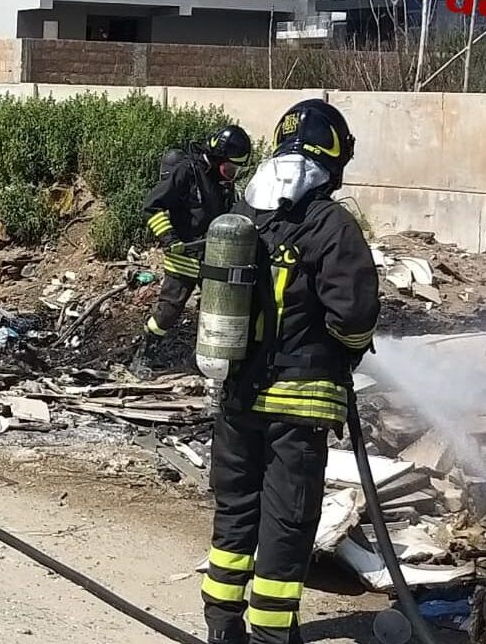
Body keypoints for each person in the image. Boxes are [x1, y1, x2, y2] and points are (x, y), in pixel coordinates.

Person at [200, 100, 379, 644]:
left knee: (236, 512)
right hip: (298, 406)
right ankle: (272, 634)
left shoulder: (244, 218)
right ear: (333, 157)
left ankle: (222, 627)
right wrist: (345, 353)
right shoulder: (330, 224)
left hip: (237, 397)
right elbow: (354, 316)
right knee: (287, 522)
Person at [129, 125, 253, 379]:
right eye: (230, 168)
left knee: (221, 309)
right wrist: (169, 238)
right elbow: (152, 206)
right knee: (169, 311)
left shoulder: (222, 182)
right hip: (183, 257)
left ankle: (207, 360)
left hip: (214, 257)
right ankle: (143, 355)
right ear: (218, 158)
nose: (232, 175)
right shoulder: (187, 171)